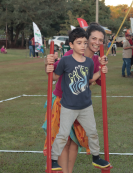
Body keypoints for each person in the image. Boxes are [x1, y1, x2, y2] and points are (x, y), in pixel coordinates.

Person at [43, 23, 108, 173]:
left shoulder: (95, 60)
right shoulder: (69, 56)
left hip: (81, 104)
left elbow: (93, 80)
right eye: (94, 38)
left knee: (74, 142)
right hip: (62, 101)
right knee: (64, 140)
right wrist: (48, 62)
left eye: (100, 40)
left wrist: (103, 71)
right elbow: (53, 72)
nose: (97, 43)